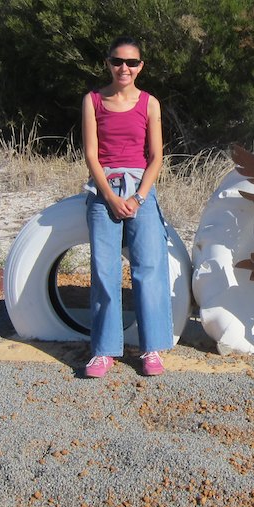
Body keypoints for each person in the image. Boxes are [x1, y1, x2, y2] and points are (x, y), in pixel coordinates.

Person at [81, 36, 173, 378]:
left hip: (140, 190)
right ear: (108, 63)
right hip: (103, 189)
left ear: (140, 67)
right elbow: (91, 154)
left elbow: (156, 156)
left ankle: (152, 348)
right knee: (104, 271)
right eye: (118, 61)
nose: (124, 68)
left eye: (132, 63)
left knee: (148, 268)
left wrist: (138, 198)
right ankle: (103, 351)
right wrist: (109, 196)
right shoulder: (93, 100)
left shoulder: (150, 103)